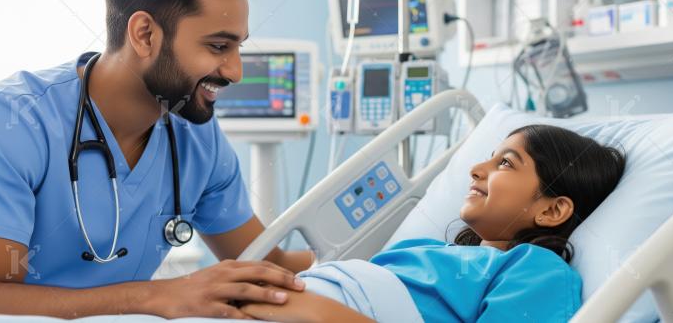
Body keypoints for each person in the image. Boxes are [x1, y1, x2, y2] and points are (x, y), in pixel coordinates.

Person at [0, 0, 313, 319]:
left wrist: (378, 258)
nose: (235, 71)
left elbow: (268, 265)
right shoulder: (9, 122)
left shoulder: (196, 138)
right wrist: (153, 297)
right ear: (144, 34)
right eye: (218, 46)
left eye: (238, 47)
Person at [238, 125, 627, 322]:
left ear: (552, 210)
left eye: (506, 163)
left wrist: (320, 312)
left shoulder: (538, 270)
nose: (476, 169)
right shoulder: (426, 250)